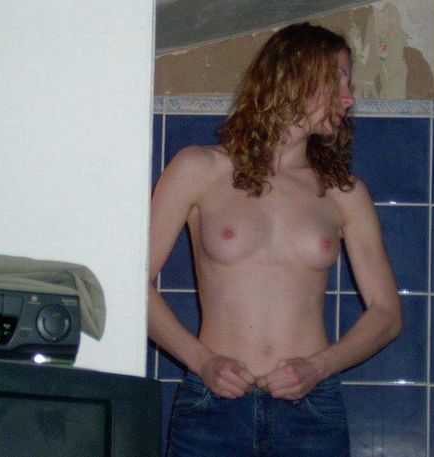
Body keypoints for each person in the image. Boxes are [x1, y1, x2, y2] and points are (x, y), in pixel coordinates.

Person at [148, 22, 402, 457]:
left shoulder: (343, 193)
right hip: (213, 404)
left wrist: (318, 367)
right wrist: (202, 362)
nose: (349, 98)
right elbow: (130, 283)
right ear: (292, 75)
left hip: (310, 409)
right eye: (338, 79)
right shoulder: (198, 169)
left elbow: (387, 313)